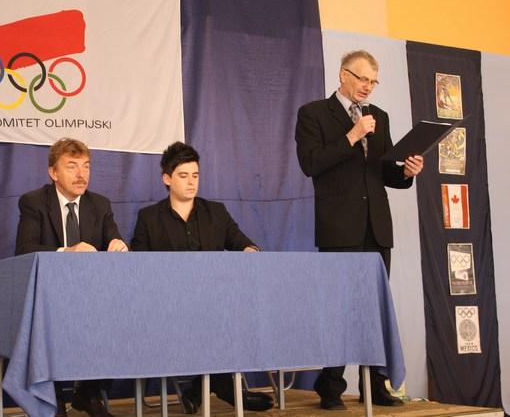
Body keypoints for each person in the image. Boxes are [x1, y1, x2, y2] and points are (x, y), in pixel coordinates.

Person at [294, 50, 424, 410]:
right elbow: (310, 163)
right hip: (339, 229)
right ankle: (330, 384)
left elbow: (385, 172)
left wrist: (406, 172)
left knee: (374, 310)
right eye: (362, 78)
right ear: (343, 75)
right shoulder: (314, 114)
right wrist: (351, 135)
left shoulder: (379, 116)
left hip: (376, 228)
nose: (368, 86)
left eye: (373, 81)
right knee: (339, 309)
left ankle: (375, 385)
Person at [131, 141, 273, 413]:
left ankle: (202, 388)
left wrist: (249, 250)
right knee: (215, 320)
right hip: (168, 307)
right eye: (183, 175)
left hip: (214, 303)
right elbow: (138, 267)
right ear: (167, 179)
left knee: (235, 313)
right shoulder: (149, 218)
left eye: (195, 175)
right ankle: (225, 388)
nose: (191, 182)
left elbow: (243, 243)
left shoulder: (216, 212)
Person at [15, 137, 128, 417]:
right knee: (47, 325)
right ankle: (53, 401)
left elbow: (113, 240)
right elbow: (24, 249)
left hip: (91, 296)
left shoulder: (100, 204)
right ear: (53, 172)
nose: (81, 174)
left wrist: (118, 245)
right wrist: (67, 251)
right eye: (72, 166)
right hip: (48, 297)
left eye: (86, 166)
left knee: (122, 318)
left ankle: (87, 394)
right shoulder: (34, 202)